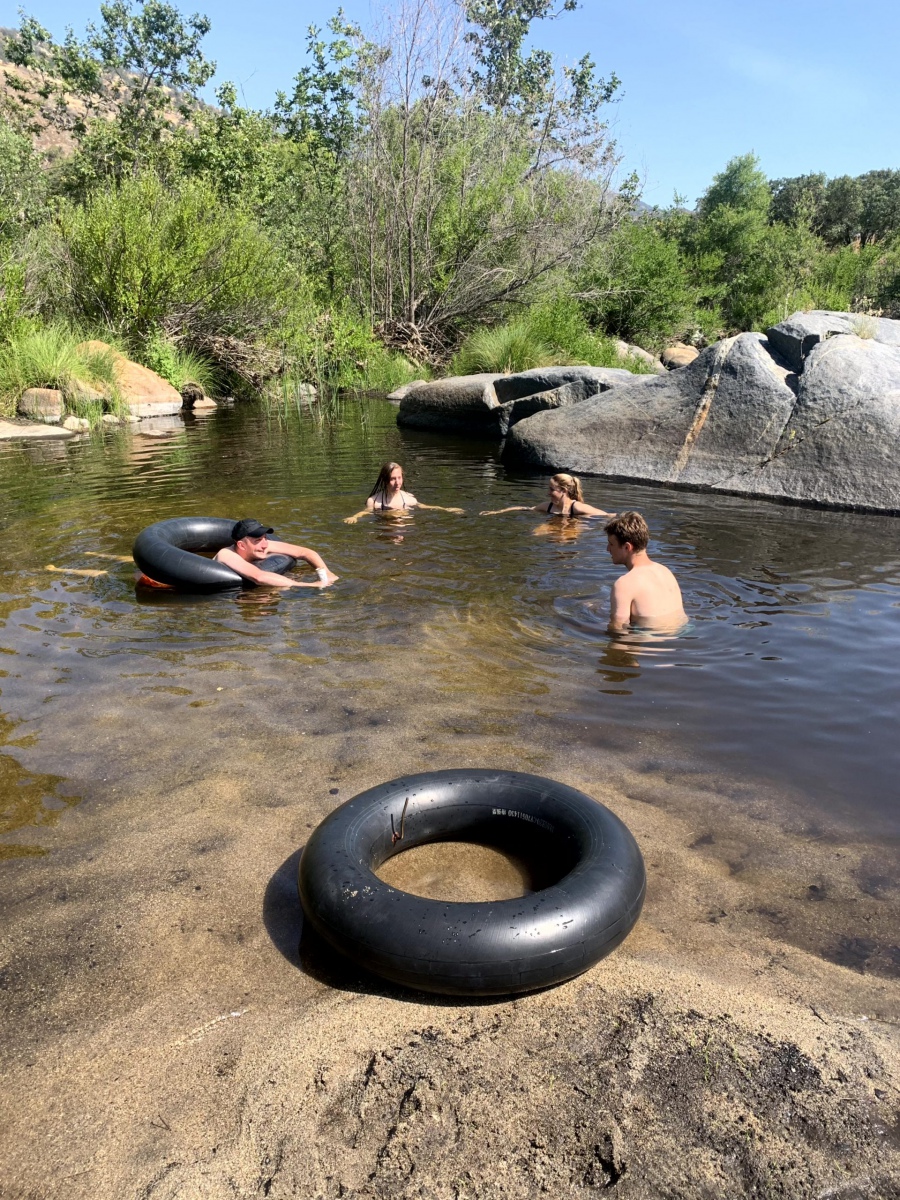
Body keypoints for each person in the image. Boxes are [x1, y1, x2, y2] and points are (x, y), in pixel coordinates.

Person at [604, 511, 686, 632]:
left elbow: (618, 630)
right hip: (681, 635)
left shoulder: (624, 584)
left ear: (627, 547)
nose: (607, 549)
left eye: (611, 544)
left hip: (648, 643)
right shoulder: (665, 572)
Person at [214, 519, 338, 589]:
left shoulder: (262, 546)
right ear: (241, 545)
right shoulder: (226, 554)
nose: (265, 545)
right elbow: (259, 577)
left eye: (265, 538)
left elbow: (304, 552)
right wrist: (309, 585)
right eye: (258, 540)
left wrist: (327, 571)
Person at [344, 462, 464, 523]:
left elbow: (424, 506)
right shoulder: (374, 501)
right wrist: (354, 517)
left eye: (399, 478)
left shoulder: (408, 499)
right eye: (393, 479)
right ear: (385, 480)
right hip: (384, 529)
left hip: (404, 529)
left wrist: (446, 509)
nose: (397, 482)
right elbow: (365, 512)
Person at [480, 474, 613, 518]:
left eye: (552, 490)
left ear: (563, 490)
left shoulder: (577, 507)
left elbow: (606, 515)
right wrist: (497, 512)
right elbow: (525, 508)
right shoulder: (548, 507)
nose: (548, 493)